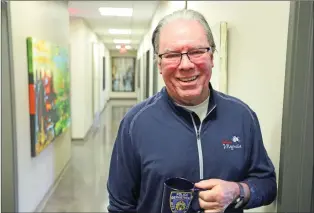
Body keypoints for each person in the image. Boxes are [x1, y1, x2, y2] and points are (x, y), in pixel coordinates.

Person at [107, 9, 277, 213]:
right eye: (172, 55)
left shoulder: (242, 116)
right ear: (159, 64)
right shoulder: (134, 124)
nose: (186, 65)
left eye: (196, 52)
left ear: (212, 57)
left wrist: (237, 191)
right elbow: (120, 205)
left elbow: (267, 184)